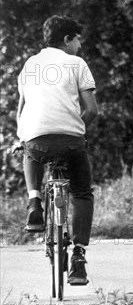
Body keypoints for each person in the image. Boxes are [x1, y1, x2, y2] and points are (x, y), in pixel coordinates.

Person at [17, 15, 98, 285]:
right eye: (77, 38)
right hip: (72, 142)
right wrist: (76, 127)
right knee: (82, 193)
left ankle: (34, 203)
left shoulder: (30, 64)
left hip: (37, 141)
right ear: (66, 40)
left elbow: (22, 111)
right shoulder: (77, 64)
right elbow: (92, 110)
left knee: (29, 147)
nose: (79, 44)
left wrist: (23, 137)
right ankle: (79, 256)